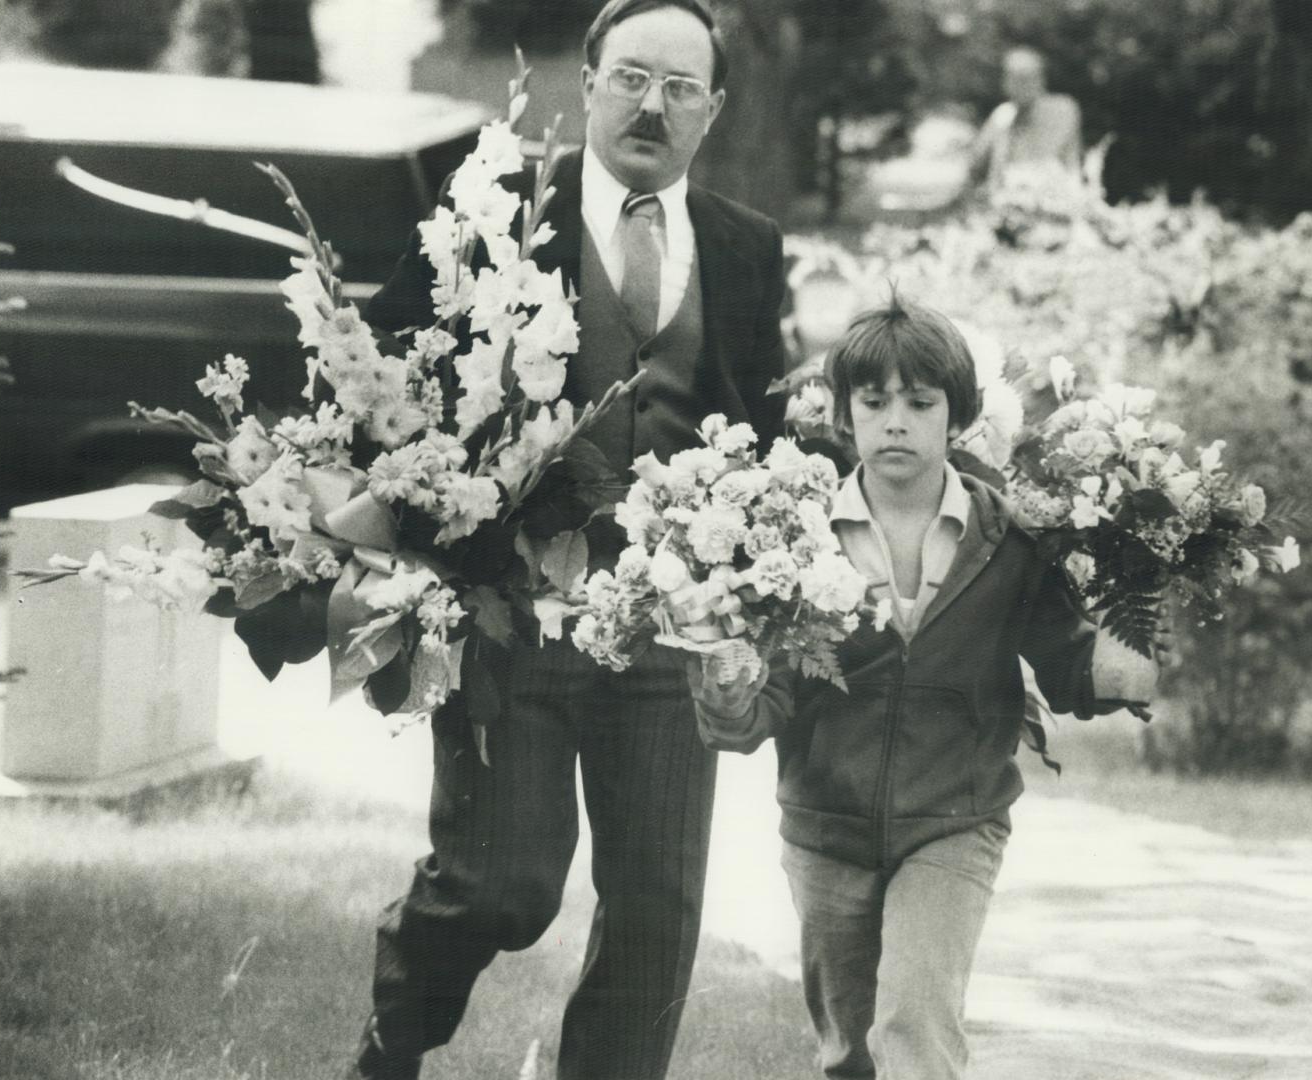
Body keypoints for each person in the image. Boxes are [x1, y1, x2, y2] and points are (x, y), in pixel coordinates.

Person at [349, 2, 788, 1077]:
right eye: (631, 76)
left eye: (681, 87)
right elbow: (374, 386)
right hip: (508, 619)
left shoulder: (745, 247)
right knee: (500, 885)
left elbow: (767, 432)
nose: (653, 104)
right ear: (587, 83)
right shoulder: (492, 214)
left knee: (654, 917)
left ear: (713, 110)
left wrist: (756, 601)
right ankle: (385, 1053)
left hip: (667, 636)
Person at [688, 296, 1171, 1080]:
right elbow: (758, 708)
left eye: (921, 403)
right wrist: (729, 691)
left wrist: (1121, 664)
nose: (897, 422)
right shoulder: (792, 540)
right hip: (824, 830)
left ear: (959, 416)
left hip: (954, 821)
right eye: (874, 403)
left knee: (915, 1028)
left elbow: (1068, 659)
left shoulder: (1009, 539)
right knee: (848, 1053)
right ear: (843, 417)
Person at [967, 45, 1084, 189]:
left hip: (1055, 196)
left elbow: (1069, 164)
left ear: (1041, 79)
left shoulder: (1064, 109)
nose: (1021, 87)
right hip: (1007, 198)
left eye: (1027, 79)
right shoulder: (1003, 115)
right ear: (1005, 83)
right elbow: (974, 163)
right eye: (1014, 79)